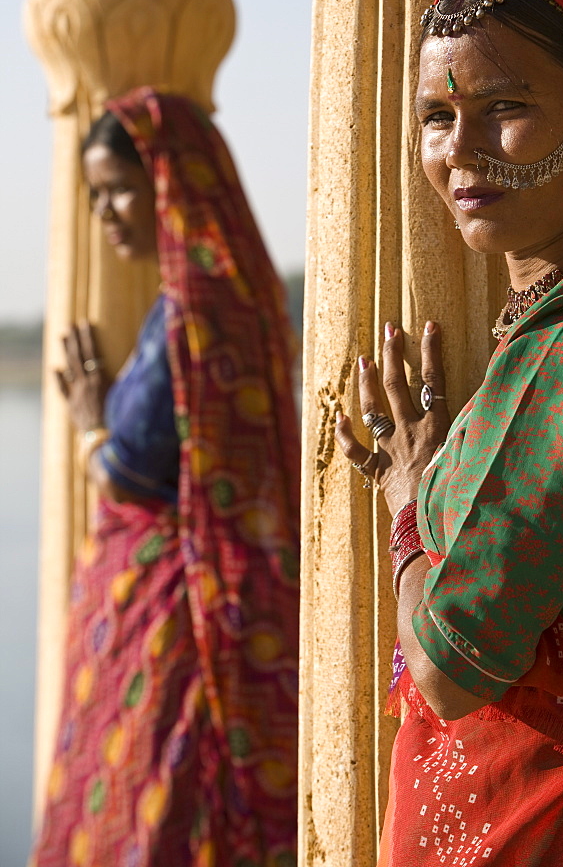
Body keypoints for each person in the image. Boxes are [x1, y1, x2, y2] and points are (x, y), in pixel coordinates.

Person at [336, 0, 563, 866]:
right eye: (437, 116)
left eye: (506, 108)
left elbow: (448, 663)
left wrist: (409, 496)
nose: (460, 151)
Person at [30, 88, 301, 867]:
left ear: (170, 183)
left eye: (117, 189)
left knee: (158, 814)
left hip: (182, 623)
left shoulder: (188, 318)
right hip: (225, 599)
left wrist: (89, 423)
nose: (105, 214)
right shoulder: (240, 302)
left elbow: (123, 473)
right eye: (95, 195)